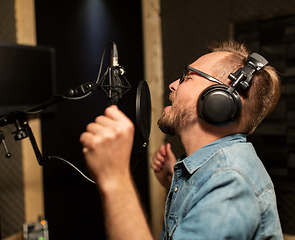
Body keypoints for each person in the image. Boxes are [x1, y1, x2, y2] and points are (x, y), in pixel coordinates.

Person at [80, 41, 283, 239]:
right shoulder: (218, 174)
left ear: (219, 100)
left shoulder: (229, 181)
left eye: (187, 78)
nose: (173, 85)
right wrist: (177, 183)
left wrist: (115, 178)